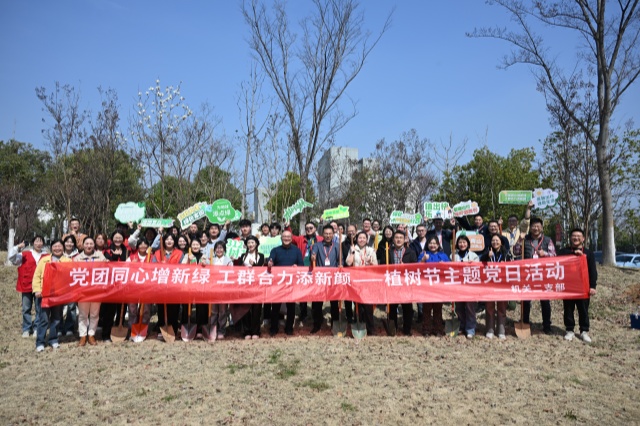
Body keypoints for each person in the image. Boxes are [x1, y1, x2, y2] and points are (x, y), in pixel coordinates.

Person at [514, 217, 557, 334]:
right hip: (528, 275)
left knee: (545, 301)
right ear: (530, 228)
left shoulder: (547, 240)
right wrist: (519, 240)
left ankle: (547, 326)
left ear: (542, 228)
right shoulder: (525, 239)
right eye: (533, 226)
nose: (536, 228)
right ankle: (525, 322)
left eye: (538, 226)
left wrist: (545, 254)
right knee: (526, 300)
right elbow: (516, 252)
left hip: (543, 275)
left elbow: (554, 256)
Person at [32, 239, 72, 352]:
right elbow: (37, 276)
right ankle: (40, 342)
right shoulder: (44, 260)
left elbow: (71, 277)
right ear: (51, 248)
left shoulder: (68, 261)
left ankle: (53, 339)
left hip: (58, 295)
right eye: (55, 246)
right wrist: (37, 290)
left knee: (56, 318)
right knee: (43, 319)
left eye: (59, 246)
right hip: (44, 294)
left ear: (63, 248)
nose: (57, 248)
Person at [558, 228, 598, 343]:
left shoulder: (588, 253)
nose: (576, 238)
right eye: (574, 236)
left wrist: (593, 286)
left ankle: (584, 331)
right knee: (568, 309)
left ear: (583, 238)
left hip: (583, 287)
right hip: (568, 287)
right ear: (570, 238)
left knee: (583, 310)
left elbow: (592, 271)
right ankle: (569, 330)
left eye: (578, 236)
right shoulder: (563, 252)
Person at [380, 230, 418, 336]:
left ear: (404, 240)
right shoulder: (388, 252)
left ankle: (407, 329)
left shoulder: (410, 252)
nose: (398, 240)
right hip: (392, 283)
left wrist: (406, 267)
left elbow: (415, 267)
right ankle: (393, 329)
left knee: (407, 308)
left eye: (401, 238)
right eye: (396, 238)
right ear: (393, 239)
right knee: (392, 307)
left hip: (405, 283)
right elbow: (382, 265)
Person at [267, 230, 304, 336]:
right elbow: (270, 261)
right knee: (275, 306)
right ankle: (274, 328)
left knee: (291, 306)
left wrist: (297, 266)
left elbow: (301, 265)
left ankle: (289, 328)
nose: (286, 239)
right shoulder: (275, 250)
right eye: (284, 237)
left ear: (291, 239)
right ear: (281, 238)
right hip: (278, 282)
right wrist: (270, 263)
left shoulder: (296, 250)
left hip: (291, 283)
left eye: (288, 237)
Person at [9, 235, 47, 337]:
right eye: (36, 241)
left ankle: (37, 328)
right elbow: (12, 258)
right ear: (33, 243)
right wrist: (18, 247)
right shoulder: (25, 254)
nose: (38, 243)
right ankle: (26, 328)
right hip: (26, 285)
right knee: (26, 308)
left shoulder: (46, 256)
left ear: (43, 243)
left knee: (39, 308)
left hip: (40, 286)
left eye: (40, 241)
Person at [74, 237, 108, 346]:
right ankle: (83, 335)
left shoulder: (100, 256)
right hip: (83, 291)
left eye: (91, 244)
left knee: (94, 313)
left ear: (94, 245)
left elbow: (107, 268)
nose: (89, 246)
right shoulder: (77, 258)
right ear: (83, 245)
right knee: (83, 314)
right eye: (87, 244)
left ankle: (91, 334)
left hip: (96, 290)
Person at [288, 220, 323, 323]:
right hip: (303, 269)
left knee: (316, 293)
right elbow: (290, 237)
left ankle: (316, 313)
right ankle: (303, 314)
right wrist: (287, 227)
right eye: (307, 228)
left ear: (315, 229)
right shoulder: (301, 239)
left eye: (311, 228)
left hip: (315, 269)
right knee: (302, 293)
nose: (309, 230)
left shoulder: (320, 239)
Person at [345, 231, 378, 335]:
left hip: (368, 281)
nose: (362, 240)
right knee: (358, 304)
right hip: (356, 281)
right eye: (360, 238)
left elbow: (376, 266)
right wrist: (352, 253)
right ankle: (359, 324)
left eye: (364, 238)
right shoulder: (353, 249)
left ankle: (370, 327)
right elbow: (348, 263)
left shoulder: (371, 250)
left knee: (368, 305)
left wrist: (371, 262)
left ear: (367, 240)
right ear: (357, 239)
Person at [152, 233, 184, 340]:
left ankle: (173, 328)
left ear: (174, 241)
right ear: (163, 241)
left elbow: (182, 267)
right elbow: (152, 267)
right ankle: (162, 328)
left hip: (175, 284)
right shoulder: (157, 253)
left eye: (171, 239)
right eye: (167, 239)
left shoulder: (179, 253)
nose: (169, 241)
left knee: (174, 308)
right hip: (161, 284)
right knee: (161, 308)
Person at [310, 225, 341, 334]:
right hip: (321, 278)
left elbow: (340, 260)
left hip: (333, 278)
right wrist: (313, 257)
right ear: (322, 234)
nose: (328, 236)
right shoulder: (317, 245)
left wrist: (340, 265)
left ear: (333, 234)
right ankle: (317, 324)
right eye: (326, 233)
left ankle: (335, 324)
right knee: (318, 303)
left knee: (334, 303)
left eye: (330, 234)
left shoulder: (337, 246)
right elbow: (313, 254)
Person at [480, 234, 512, 339]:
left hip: (502, 284)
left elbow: (512, 266)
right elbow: (480, 262)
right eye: (493, 240)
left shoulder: (506, 253)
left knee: (502, 307)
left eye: (497, 240)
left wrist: (505, 263)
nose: (495, 242)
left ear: (501, 242)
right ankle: (490, 330)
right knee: (489, 307)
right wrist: (487, 256)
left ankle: (501, 331)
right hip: (489, 284)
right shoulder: (487, 252)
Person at [419, 236, 449, 336]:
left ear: (438, 245)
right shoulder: (423, 254)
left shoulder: (443, 255)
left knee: (438, 309)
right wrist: (423, 260)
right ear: (427, 244)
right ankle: (426, 330)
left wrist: (444, 265)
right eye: (430, 243)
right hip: (426, 285)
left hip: (438, 286)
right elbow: (417, 268)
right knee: (426, 309)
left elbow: (450, 268)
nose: (432, 245)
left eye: (434, 243)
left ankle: (438, 329)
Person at [102, 230, 129, 342]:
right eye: (116, 237)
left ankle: (118, 330)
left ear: (123, 239)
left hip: (123, 284)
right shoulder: (107, 251)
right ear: (112, 238)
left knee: (122, 309)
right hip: (110, 284)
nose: (118, 239)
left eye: (120, 237)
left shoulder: (126, 251)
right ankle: (106, 334)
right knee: (109, 311)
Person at [453, 235, 480, 338]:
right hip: (458, 285)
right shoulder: (453, 255)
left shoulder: (474, 256)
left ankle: (470, 328)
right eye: (460, 242)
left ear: (468, 244)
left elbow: (478, 269)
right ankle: (461, 325)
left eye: (464, 242)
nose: (462, 244)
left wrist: (472, 264)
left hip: (470, 286)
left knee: (470, 307)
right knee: (459, 307)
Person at [182, 236, 210, 339]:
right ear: (190, 246)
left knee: (201, 306)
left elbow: (210, 268)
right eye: (193, 244)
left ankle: (200, 328)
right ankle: (186, 325)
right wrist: (188, 262)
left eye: (197, 244)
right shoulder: (187, 255)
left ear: (200, 246)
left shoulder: (204, 256)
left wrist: (205, 264)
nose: (195, 246)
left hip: (201, 285)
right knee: (186, 306)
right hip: (189, 285)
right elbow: (181, 268)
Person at [238, 236, 265, 339]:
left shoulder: (261, 256)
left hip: (257, 285)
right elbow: (238, 269)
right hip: (245, 284)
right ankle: (246, 331)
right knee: (245, 308)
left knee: (256, 308)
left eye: (252, 242)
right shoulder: (242, 256)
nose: (250, 245)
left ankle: (256, 331)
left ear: (256, 244)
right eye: (249, 243)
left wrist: (255, 265)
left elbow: (261, 268)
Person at [126, 238, 152, 340]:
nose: (143, 246)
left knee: (146, 309)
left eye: (145, 244)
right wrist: (131, 265)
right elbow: (124, 269)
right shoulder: (131, 257)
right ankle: (132, 329)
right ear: (137, 246)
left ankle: (144, 328)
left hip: (147, 287)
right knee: (132, 309)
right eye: (141, 244)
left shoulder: (151, 257)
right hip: (133, 287)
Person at [210, 241, 234, 339]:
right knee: (213, 310)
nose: (219, 250)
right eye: (217, 248)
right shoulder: (211, 260)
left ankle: (221, 330)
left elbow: (231, 274)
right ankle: (212, 329)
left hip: (224, 289)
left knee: (223, 310)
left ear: (224, 250)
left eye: (221, 248)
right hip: (213, 289)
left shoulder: (228, 261)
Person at [59, 235, 78, 337]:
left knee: (72, 307)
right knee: (59, 307)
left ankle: (69, 328)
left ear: (74, 244)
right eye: (67, 242)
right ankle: (59, 327)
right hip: (60, 285)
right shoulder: (58, 254)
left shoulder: (77, 255)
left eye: (71, 242)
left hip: (73, 285)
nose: (69, 244)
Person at [340, 225, 358, 323]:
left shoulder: (360, 241)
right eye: (349, 231)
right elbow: (342, 258)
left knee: (357, 295)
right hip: (347, 273)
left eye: (353, 231)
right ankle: (349, 316)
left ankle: (358, 315)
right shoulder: (343, 244)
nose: (351, 233)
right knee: (348, 296)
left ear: (356, 231)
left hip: (358, 274)